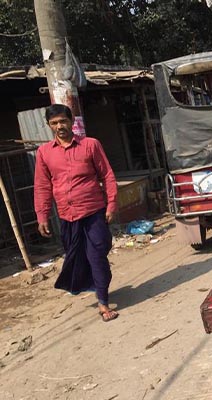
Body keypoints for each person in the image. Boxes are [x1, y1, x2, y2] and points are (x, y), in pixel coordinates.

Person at [34, 104, 119, 322]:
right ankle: (97, 291)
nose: (59, 126)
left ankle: (102, 300)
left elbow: (107, 175)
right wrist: (42, 215)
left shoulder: (90, 145)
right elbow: (42, 186)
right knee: (78, 256)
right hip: (67, 215)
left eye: (63, 121)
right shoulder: (44, 152)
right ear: (49, 125)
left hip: (93, 211)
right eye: (54, 123)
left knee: (98, 251)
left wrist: (111, 204)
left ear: (72, 122)